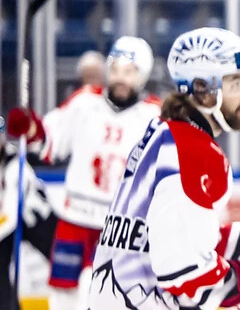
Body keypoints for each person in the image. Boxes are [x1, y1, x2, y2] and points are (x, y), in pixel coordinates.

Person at [87, 27, 240, 309]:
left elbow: (178, 239)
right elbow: (180, 271)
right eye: (235, 83)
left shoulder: (163, 132)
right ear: (203, 90)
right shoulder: (193, 153)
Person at [6, 36, 161, 310]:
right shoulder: (85, 102)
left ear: (142, 76)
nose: (120, 78)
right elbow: (49, 141)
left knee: (101, 292)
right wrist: (30, 128)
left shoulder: (154, 116)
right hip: (74, 217)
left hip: (118, 226)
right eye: (115, 69)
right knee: (61, 294)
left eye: (129, 72)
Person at [0, 116, 58, 310]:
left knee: (64, 269)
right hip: (15, 225)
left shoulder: (16, 166)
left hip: (40, 223)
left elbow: (10, 216)